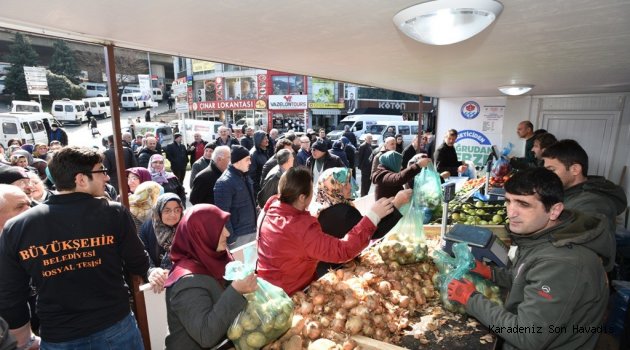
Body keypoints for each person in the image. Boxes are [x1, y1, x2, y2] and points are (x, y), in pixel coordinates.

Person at [0, 146, 150, 349]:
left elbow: (11, 294)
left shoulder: (18, 226)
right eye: (101, 171)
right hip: (114, 328)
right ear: (80, 179)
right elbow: (138, 262)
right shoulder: (112, 212)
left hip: (60, 336)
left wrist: (22, 339)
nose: (107, 178)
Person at [446, 167, 612, 350]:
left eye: (523, 204)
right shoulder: (543, 237)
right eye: (508, 201)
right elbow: (527, 277)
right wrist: (491, 273)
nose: (511, 213)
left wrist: (471, 299)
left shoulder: (561, 263)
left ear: (554, 210)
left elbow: (527, 337)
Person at [257, 167, 395, 295]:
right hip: (290, 294)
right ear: (302, 198)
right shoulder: (300, 228)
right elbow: (343, 250)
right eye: (312, 189)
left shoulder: (272, 205)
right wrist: (373, 216)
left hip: (265, 288)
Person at [163, 204, 258, 350]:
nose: (227, 233)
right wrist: (236, 290)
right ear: (200, 234)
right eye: (219, 229)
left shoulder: (215, 257)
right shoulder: (186, 283)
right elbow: (205, 336)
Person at [542, 139, 626, 266]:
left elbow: (577, 254)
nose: (546, 176)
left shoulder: (592, 204)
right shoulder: (569, 193)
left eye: (552, 170)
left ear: (575, 169)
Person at [214, 145, 257, 248]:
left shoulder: (244, 175)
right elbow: (222, 214)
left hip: (251, 230)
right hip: (238, 236)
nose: (250, 162)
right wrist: (231, 239)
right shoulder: (224, 182)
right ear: (238, 161)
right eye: (247, 160)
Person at [139, 193, 184, 270]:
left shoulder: (185, 228)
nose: (173, 215)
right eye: (167, 211)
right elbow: (142, 254)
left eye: (177, 210)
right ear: (158, 212)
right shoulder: (147, 228)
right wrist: (152, 271)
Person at [248, 130, 270, 195]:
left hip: (265, 185)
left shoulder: (264, 150)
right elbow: (252, 175)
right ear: (259, 140)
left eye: (267, 138)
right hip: (259, 189)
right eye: (265, 139)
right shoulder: (253, 154)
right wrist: (258, 191)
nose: (267, 140)